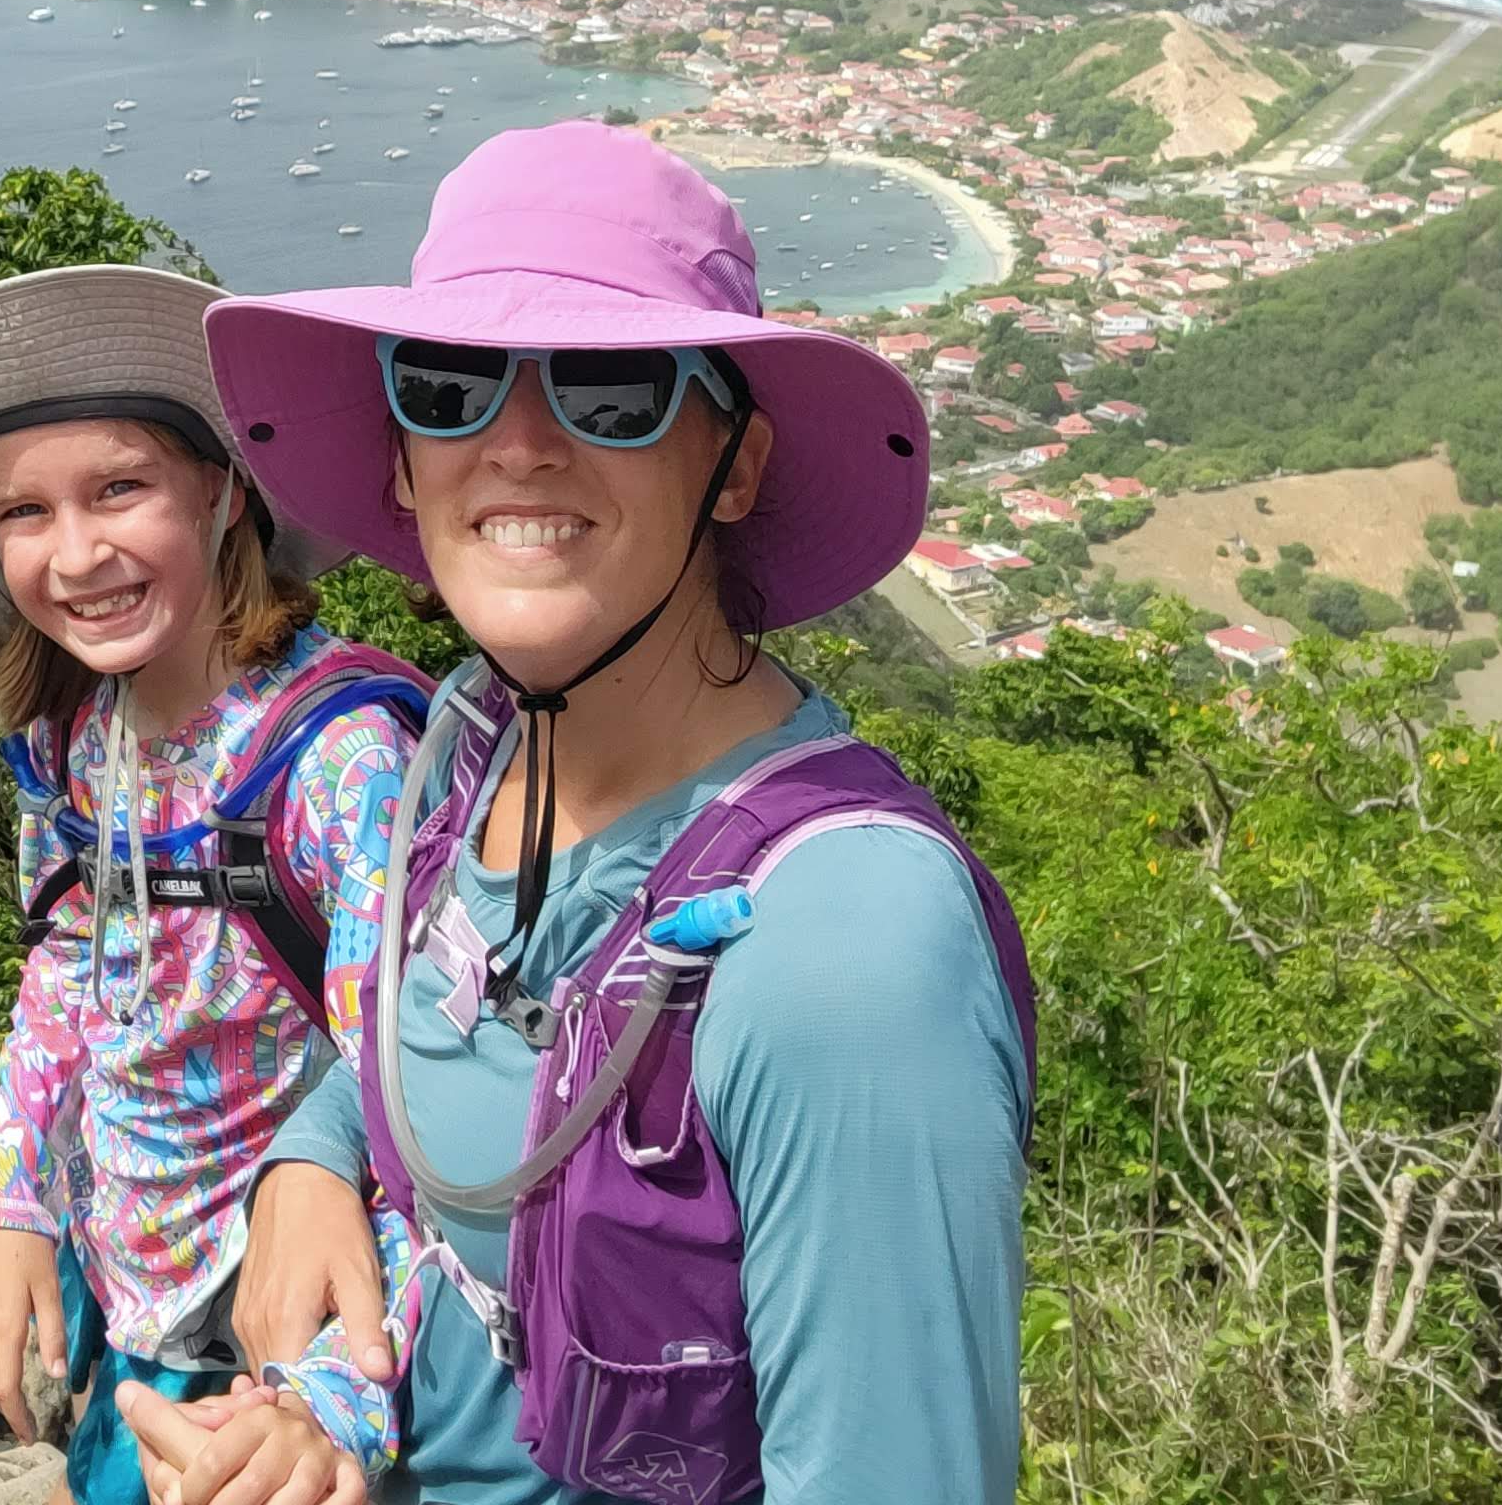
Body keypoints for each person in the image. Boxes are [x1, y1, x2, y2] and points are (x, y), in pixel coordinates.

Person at [134, 121, 1034, 1505]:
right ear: (400, 464)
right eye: (450, 386)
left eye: (611, 391)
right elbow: (429, 1046)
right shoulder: (473, 745)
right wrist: (311, 1170)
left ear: (731, 466)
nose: (520, 446)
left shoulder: (846, 951)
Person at [0, 265, 430, 1505]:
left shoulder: (339, 763)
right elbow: (66, 965)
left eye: (120, 489)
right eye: (24, 513)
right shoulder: (73, 734)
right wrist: (10, 1200)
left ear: (225, 489)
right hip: (126, 1290)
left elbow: (420, 1098)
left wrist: (338, 1404)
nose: (77, 552)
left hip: (287, 1363)